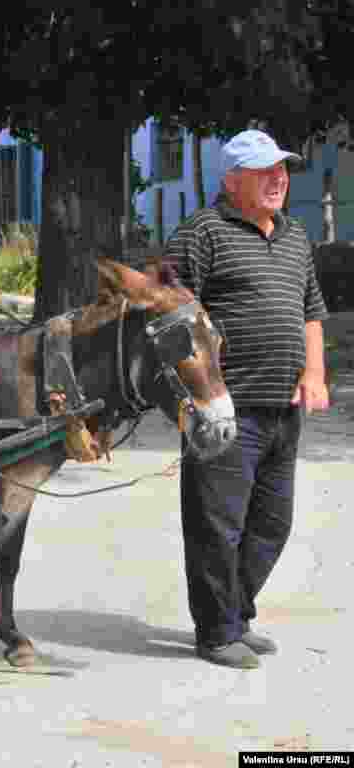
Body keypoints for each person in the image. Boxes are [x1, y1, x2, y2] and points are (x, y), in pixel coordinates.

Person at [164, 129, 331, 668]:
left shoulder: (294, 234)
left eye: (281, 169)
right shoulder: (201, 233)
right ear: (232, 180)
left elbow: (311, 310)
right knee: (217, 525)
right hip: (225, 411)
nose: (278, 178)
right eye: (264, 171)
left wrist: (316, 373)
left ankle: (234, 611)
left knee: (271, 525)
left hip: (285, 407)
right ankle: (216, 632)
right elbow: (169, 317)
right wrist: (190, 396)